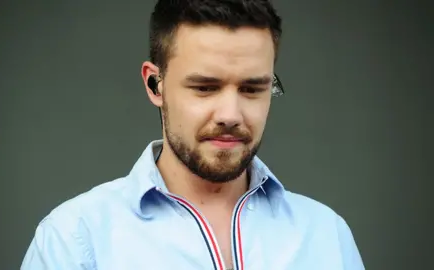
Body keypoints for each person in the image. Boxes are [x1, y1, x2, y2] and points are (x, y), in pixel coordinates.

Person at [21, 0, 365, 269]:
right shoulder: (75, 240)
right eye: (205, 87)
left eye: (251, 89)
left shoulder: (327, 235)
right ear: (155, 84)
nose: (230, 115)